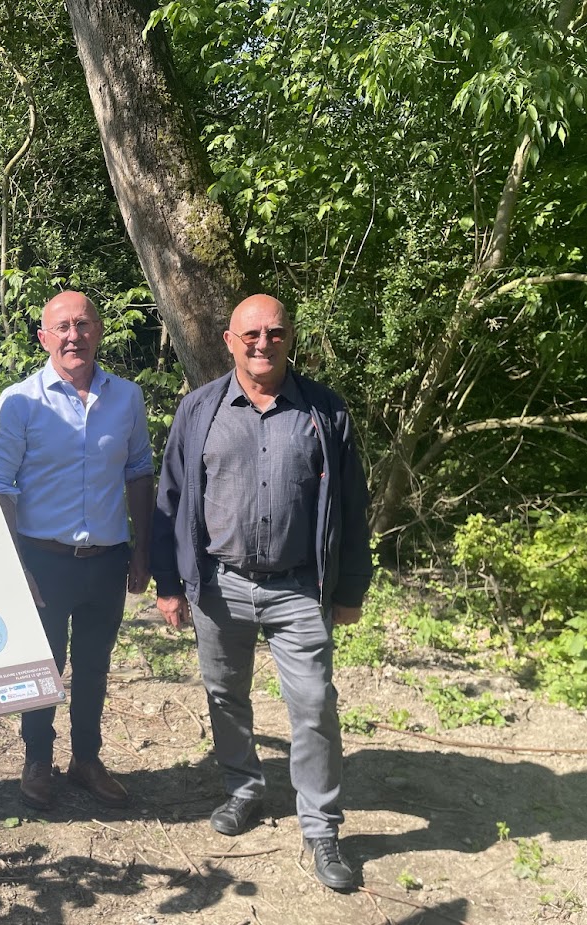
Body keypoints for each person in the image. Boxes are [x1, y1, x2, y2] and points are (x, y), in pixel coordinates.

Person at [151, 294, 372, 891]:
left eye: (275, 333)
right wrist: (169, 584)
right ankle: (244, 789)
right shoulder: (199, 410)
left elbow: (353, 507)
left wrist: (351, 587)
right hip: (219, 585)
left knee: (314, 706)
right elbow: (169, 502)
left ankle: (321, 826)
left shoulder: (324, 412)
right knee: (225, 696)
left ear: (289, 338)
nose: (262, 343)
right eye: (251, 334)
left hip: (299, 588)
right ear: (228, 340)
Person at [0, 291, 153, 811]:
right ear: (43, 338)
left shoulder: (126, 398)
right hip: (42, 562)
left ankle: (87, 759)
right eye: (61, 327)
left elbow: (139, 472)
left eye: (82, 325)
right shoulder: (18, 403)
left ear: (99, 332)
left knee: (94, 664)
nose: (72, 336)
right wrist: (14, 566)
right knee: (42, 668)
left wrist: (143, 551)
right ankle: (37, 760)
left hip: (106, 561)